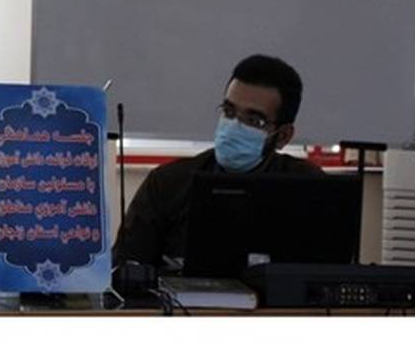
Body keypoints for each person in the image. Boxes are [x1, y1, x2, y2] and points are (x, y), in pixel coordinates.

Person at [111, 54, 323, 267]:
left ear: (283, 136)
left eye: (254, 120)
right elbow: (124, 269)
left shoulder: (311, 189)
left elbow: (328, 273)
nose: (234, 126)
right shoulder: (167, 184)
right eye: (229, 111)